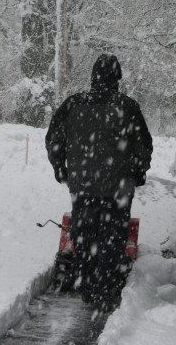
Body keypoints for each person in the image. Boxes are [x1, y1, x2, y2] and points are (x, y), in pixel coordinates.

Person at [45, 53, 153, 313]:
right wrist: (138, 173)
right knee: (113, 240)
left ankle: (87, 284)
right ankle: (105, 290)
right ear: (117, 78)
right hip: (118, 189)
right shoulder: (128, 107)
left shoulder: (73, 104)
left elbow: (53, 140)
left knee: (84, 236)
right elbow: (144, 146)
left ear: (93, 76)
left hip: (83, 187)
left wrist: (61, 169)